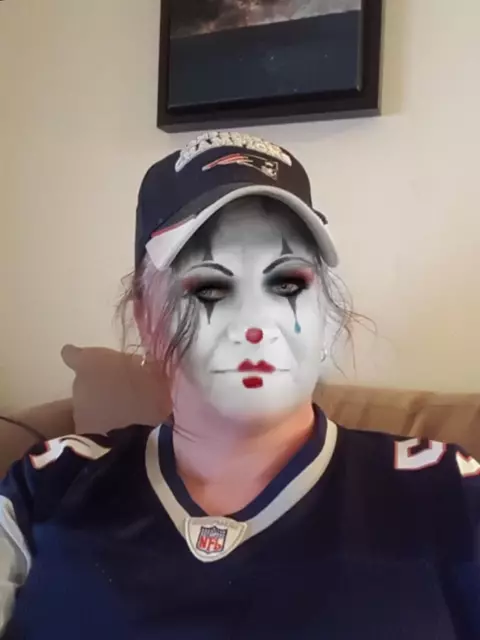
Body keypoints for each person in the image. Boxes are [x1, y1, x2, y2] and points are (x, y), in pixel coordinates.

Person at [0, 131, 479, 639]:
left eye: (287, 283)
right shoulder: (49, 483)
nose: (256, 324)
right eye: (210, 287)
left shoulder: (446, 490)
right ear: (146, 321)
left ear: (327, 316)